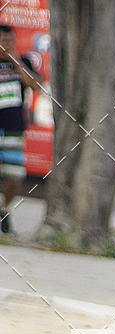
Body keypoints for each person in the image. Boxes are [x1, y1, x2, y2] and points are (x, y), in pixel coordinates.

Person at [0, 24, 39, 233]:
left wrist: (16, 62)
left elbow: (35, 85)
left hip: (14, 127)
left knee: (14, 177)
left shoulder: (22, 62)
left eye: (10, 42)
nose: (7, 46)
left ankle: (4, 210)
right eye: (3, 42)